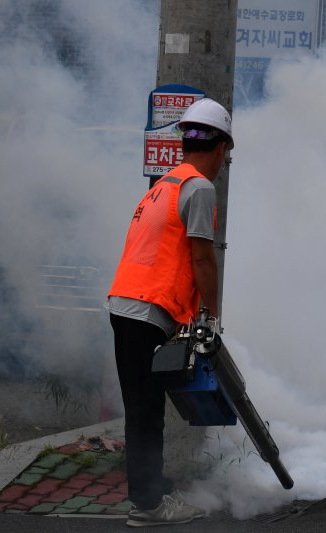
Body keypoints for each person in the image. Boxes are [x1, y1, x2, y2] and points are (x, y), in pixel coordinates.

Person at [107, 97, 234, 527]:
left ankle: (152, 491)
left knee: (142, 407)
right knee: (146, 411)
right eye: (226, 155)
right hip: (146, 308)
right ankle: (149, 505)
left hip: (127, 303)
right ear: (220, 149)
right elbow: (202, 259)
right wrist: (213, 317)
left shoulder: (164, 184)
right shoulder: (199, 187)